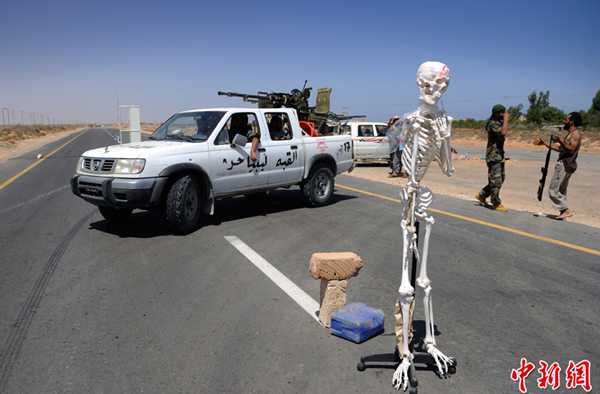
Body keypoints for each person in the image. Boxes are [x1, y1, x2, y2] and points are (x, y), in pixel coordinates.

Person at [532, 112, 582, 220]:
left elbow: (571, 149)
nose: (564, 121)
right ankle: (563, 212)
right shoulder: (571, 134)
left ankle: (566, 210)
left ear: (572, 121)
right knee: (561, 190)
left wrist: (560, 141)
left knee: (553, 190)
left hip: (565, 165)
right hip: (566, 164)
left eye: (566, 119)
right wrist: (545, 143)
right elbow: (561, 149)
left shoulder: (575, 134)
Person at [475, 104, 510, 211]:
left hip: (499, 156)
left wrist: (504, 120)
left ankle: (482, 195)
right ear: (496, 113)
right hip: (493, 156)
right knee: (496, 181)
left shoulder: (499, 123)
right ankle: (495, 203)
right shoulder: (492, 124)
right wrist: (505, 120)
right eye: (502, 113)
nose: (504, 114)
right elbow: (503, 132)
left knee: (499, 180)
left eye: (504, 112)